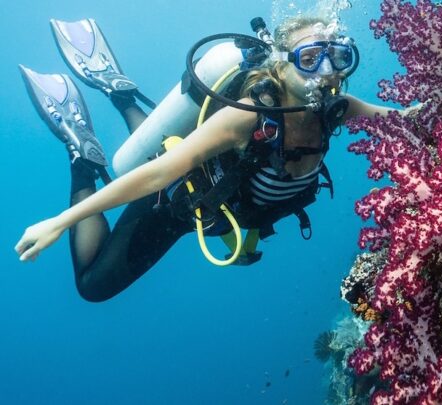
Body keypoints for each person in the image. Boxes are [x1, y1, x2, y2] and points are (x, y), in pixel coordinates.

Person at [14, 16, 406, 302]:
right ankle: (82, 157)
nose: (326, 73)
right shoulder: (249, 117)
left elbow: (407, 121)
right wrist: (58, 223)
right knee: (93, 287)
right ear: (281, 65)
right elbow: (159, 173)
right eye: (309, 59)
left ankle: (122, 95)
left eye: (338, 57)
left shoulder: (335, 109)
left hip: (219, 209)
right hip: (171, 202)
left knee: (162, 147)